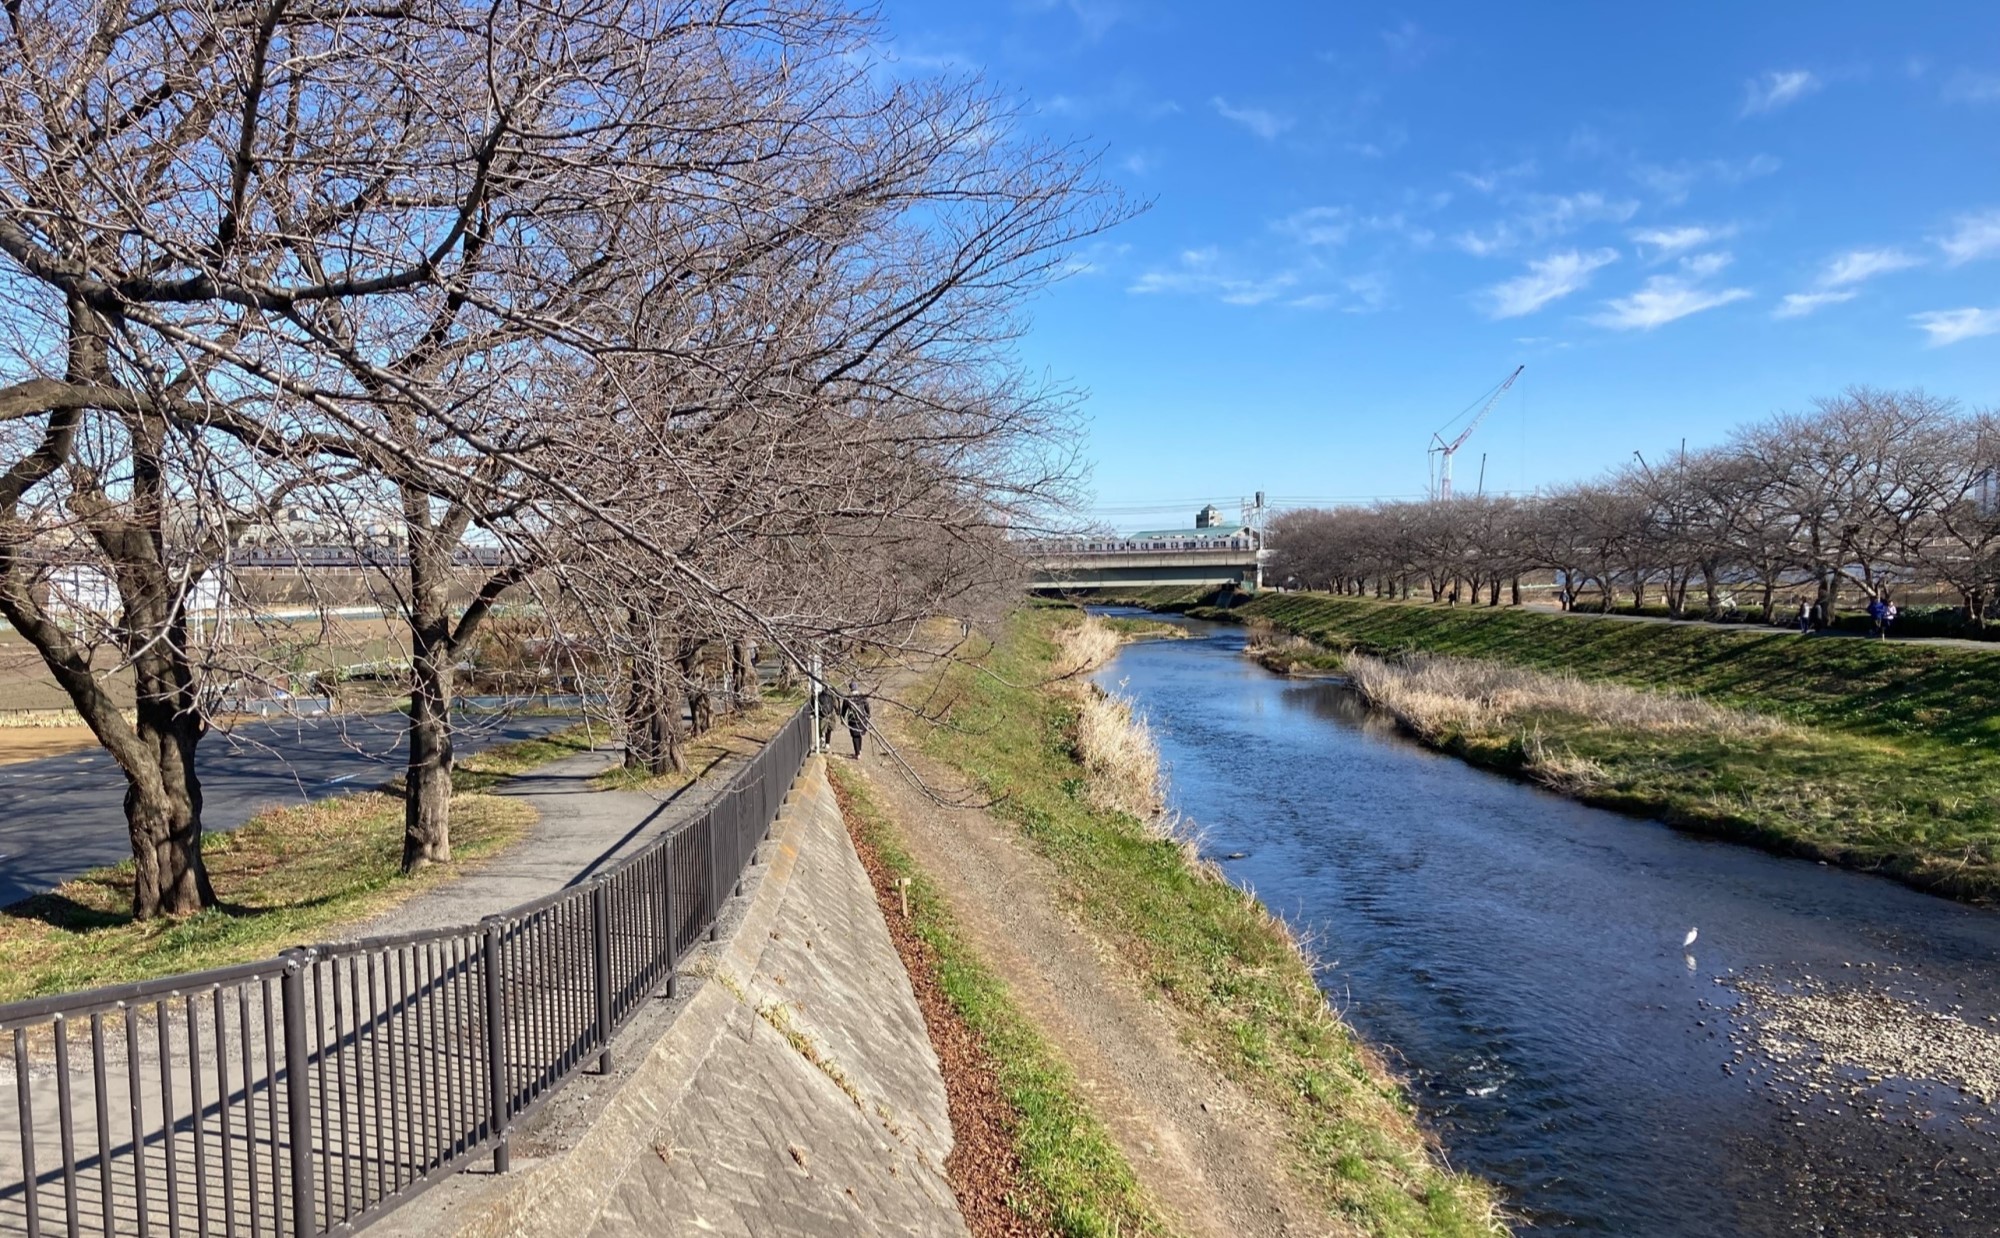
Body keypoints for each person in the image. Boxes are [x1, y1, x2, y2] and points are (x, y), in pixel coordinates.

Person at [841, 680, 871, 758]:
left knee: (854, 736)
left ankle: (857, 753)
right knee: (859, 734)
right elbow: (867, 706)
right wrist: (868, 715)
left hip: (852, 719)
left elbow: (844, 710)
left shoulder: (847, 698)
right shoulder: (862, 697)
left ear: (850, 688)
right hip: (861, 718)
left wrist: (842, 719)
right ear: (857, 688)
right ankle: (859, 750)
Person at [815, 681, 839, 750]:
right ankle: (827, 743)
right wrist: (837, 711)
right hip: (830, 714)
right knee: (829, 729)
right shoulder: (832, 695)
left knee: (821, 728)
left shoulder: (819, 695)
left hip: (822, 714)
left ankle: (821, 738)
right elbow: (835, 704)